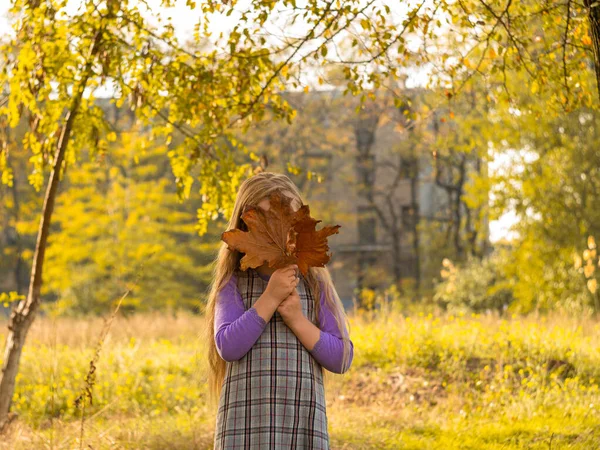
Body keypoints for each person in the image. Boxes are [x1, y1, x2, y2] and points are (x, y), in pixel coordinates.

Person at [204, 171, 354, 449]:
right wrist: (270, 298)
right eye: (266, 220)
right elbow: (228, 346)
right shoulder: (234, 282)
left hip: (301, 426)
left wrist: (297, 319)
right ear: (246, 225)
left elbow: (342, 357)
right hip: (245, 427)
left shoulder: (314, 281)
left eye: (289, 221)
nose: (281, 232)